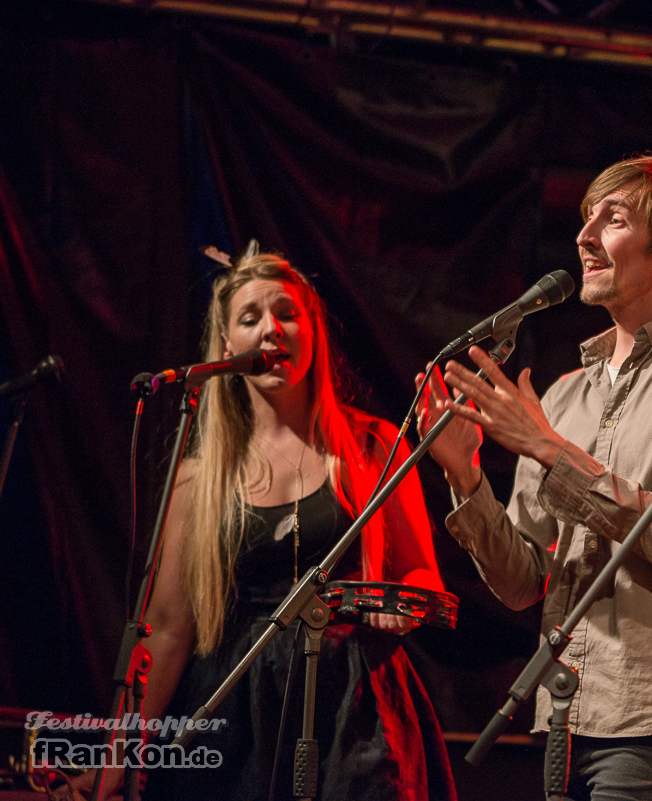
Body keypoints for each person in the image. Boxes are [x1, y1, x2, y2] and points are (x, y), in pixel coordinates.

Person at [418, 155, 652, 800]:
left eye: (612, 219)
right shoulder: (562, 394)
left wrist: (549, 451)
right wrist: (465, 475)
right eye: (586, 218)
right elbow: (523, 584)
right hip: (557, 713)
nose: (583, 237)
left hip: (651, 715)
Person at [83, 242, 457, 800]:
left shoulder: (373, 445)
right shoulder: (198, 479)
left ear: (313, 333)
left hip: (354, 702)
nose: (270, 330)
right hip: (237, 706)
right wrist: (117, 762)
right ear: (227, 344)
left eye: (287, 314)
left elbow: (422, 573)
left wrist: (398, 606)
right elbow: (167, 631)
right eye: (250, 318)